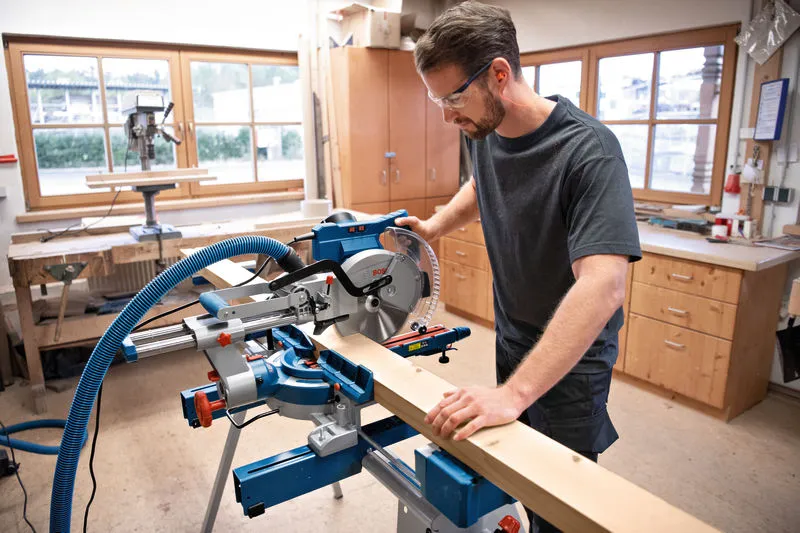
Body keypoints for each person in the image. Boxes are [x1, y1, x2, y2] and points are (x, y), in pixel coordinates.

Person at [394, 2, 642, 531]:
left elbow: (603, 286)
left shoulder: (590, 152)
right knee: (517, 475)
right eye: (437, 100)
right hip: (513, 342)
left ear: (500, 74)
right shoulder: (485, 129)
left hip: (572, 362)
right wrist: (434, 227)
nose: (446, 116)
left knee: (560, 503)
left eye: (452, 98)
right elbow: (483, 185)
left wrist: (514, 393)